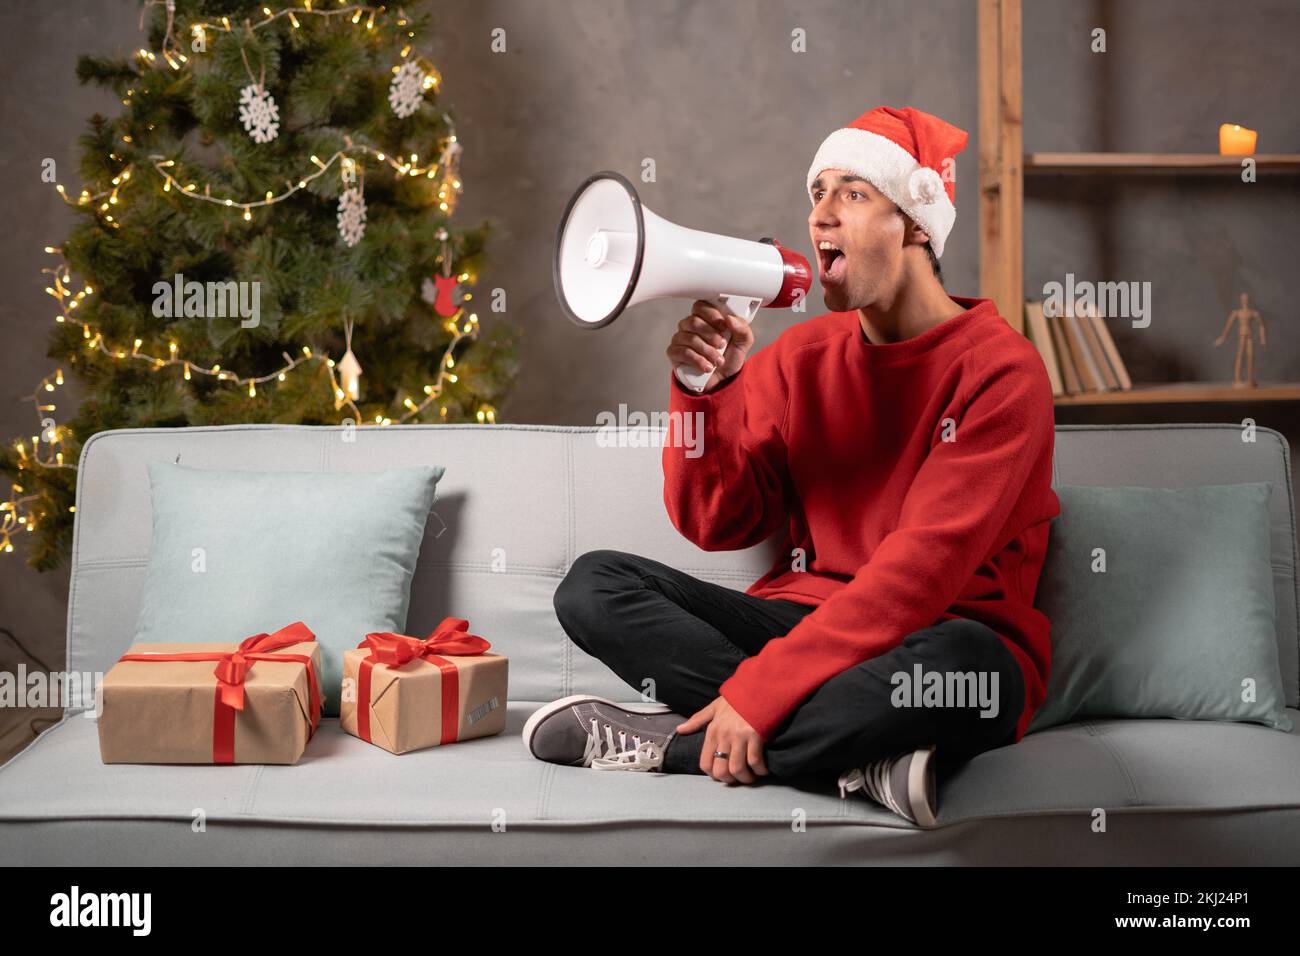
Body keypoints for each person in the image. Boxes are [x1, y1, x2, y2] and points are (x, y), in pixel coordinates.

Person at [523, 105, 1060, 828]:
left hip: (939, 640)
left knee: (966, 663)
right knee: (594, 585)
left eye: (854, 193)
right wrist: (702, 394)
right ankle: (861, 761)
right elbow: (716, 522)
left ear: (917, 224)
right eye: (817, 192)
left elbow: (922, 574)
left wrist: (759, 695)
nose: (821, 216)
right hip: (803, 626)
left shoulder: (1002, 372)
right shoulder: (800, 359)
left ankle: (664, 745)